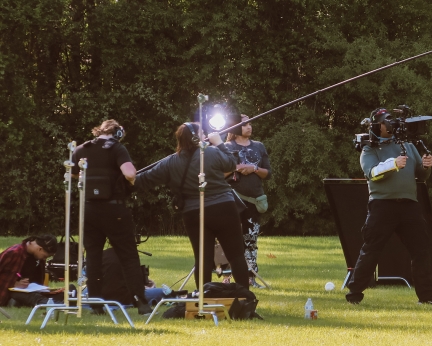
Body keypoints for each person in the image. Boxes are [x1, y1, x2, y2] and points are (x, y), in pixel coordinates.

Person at [345, 108, 432, 305]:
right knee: (371, 250)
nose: (391, 125)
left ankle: (427, 297)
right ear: (376, 126)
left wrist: (426, 166)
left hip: (409, 205)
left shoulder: (407, 145)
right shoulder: (369, 149)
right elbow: (372, 173)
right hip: (382, 205)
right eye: (386, 121)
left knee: (421, 250)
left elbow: (421, 176)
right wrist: (394, 164)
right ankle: (354, 294)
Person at [135, 122, 250, 290]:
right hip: (223, 209)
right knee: (236, 255)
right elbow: (232, 164)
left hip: (193, 213)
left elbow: (143, 180)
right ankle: (245, 298)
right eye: (203, 132)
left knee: (202, 258)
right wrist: (219, 143)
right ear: (197, 137)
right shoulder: (211, 152)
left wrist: (125, 177)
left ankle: (203, 300)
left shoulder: (170, 162)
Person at [72, 119, 152, 315]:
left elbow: (74, 174)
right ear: (118, 134)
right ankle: (140, 302)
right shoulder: (117, 148)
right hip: (114, 210)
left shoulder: (82, 149)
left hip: (89, 210)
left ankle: (96, 305)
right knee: (128, 256)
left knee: (93, 257)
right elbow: (130, 173)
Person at [224, 115, 272, 288]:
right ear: (235, 128)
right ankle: (228, 279)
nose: (249, 127)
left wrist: (254, 169)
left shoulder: (259, 146)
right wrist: (236, 168)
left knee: (251, 241)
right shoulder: (226, 147)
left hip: (254, 201)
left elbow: (268, 173)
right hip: (232, 201)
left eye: (250, 124)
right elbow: (218, 173)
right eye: (245, 125)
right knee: (231, 240)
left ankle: (251, 278)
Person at [0, 234, 58, 307]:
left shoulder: (37, 257)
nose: (44, 259)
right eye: (45, 256)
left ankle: (17, 302)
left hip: (30, 290)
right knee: (36, 298)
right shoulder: (13, 253)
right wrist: (14, 283)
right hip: (8, 291)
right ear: (40, 249)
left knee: (57, 293)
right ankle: (53, 305)